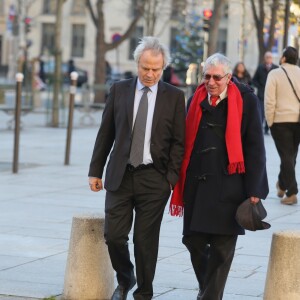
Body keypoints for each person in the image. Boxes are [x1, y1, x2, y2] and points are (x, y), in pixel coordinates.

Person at [88, 36, 185, 300]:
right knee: (114, 235)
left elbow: (179, 142)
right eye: (145, 68)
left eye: (156, 69)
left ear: (163, 67)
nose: (150, 74)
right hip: (120, 175)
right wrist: (95, 170)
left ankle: (144, 293)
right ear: (137, 64)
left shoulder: (175, 97)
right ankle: (125, 277)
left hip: (155, 178)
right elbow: (105, 132)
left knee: (145, 241)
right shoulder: (119, 90)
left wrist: (170, 179)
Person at [169, 53, 269, 300]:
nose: (211, 82)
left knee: (223, 251)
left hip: (230, 186)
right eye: (206, 76)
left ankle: (209, 296)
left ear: (229, 77)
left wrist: (255, 189)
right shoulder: (194, 100)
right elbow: (181, 141)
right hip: (197, 185)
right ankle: (208, 291)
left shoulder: (246, 100)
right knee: (193, 242)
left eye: (216, 77)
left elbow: (255, 146)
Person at [265, 46, 300, 205]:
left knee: (287, 156)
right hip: (298, 121)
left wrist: (269, 121)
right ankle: (282, 183)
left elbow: (269, 100)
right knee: (291, 156)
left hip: (280, 121)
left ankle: (292, 192)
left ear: (284, 58)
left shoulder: (275, 73)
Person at [252, 51, 278, 135]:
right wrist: (259, 86)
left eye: (270, 57)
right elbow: (254, 80)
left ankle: (267, 128)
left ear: (272, 59)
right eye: (267, 57)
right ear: (264, 58)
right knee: (261, 112)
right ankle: (260, 127)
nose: (268, 59)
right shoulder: (260, 67)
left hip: (273, 94)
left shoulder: (276, 68)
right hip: (261, 94)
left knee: (270, 111)